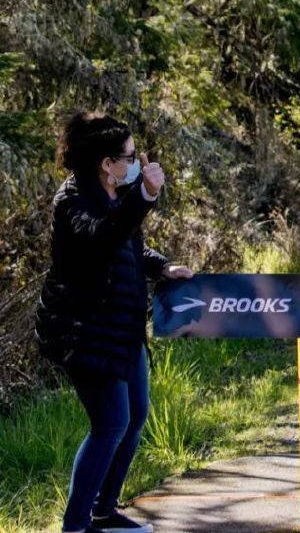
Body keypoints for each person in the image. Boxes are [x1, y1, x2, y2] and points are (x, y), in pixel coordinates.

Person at [36, 112, 193, 533]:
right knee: (109, 424)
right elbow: (101, 237)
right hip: (82, 333)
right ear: (107, 163)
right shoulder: (73, 200)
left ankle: (104, 511)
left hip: (122, 330)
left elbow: (126, 245)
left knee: (135, 415)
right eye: (130, 156)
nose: (137, 161)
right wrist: (143, 195)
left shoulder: (113, 195)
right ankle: (75, 525)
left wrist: (162, 267)